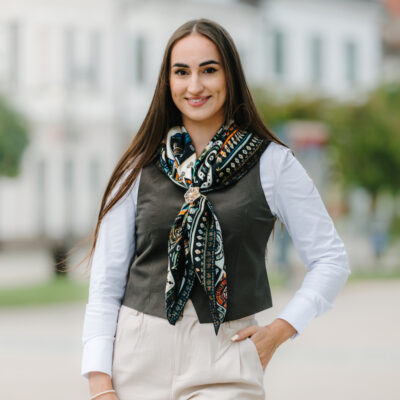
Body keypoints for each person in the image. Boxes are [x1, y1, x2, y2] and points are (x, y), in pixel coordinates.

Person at [81, 18, 350, 400]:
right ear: (167, 82)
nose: (194, 86)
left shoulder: (272, 163)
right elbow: (106, 284)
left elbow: (330, 260)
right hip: (137, 358)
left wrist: (279, 331)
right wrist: (99, 382)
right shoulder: (138, 166)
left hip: (226, 357)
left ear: (230, 76)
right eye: (181, 72)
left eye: (208, 70)